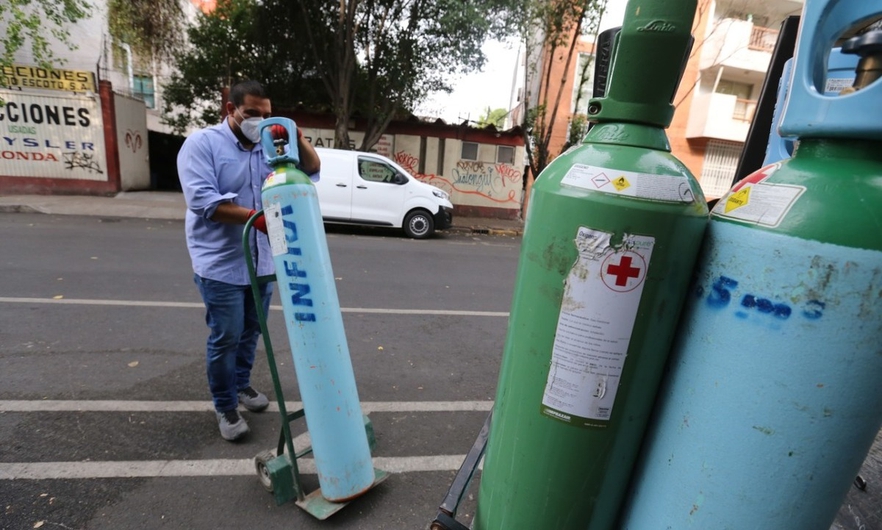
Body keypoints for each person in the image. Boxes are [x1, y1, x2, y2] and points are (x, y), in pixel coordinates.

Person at [177, 80, 321, 441]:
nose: (260, 121)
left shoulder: (269, 148)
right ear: (232, 110)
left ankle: (241, 385)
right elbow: (205, 203)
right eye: (252, 114)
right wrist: (257, 218)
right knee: (226, 335)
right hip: (221, 263)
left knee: (251, 331)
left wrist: (295, 134)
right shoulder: (202, 144)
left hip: (263, 262)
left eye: (267, 115)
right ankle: (225, 405)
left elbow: (311, 170)